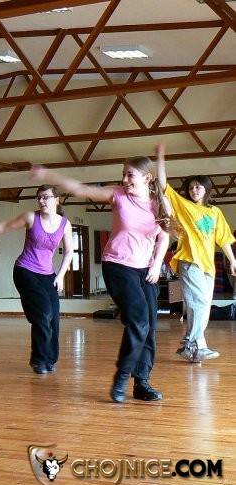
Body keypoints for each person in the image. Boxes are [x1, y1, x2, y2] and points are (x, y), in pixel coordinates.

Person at [31, 154, 170, 403]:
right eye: (123, 174)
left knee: (148, 327)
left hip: (145, 270)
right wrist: (47, 174)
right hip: (117, 266)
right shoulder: (118, 195)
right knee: (139, 321)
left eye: (130, 175)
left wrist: (158, 263)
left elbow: (164, 236)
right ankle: (122, 377)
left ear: (147, 178)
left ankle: (141, 383)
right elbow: (81, 189)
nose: (124, 179)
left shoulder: (160, 203)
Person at [156, 143, 236, 362]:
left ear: (206, 190)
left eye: (198, 187)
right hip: (189, 262)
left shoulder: (215, 212)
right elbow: (163, 185)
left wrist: (233, 261)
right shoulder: (184, 206)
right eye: (191, 187)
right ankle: (191, 342)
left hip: (207, 265)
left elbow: (224, 239)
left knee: (202, 307)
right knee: (198, 303)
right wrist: (160, 157)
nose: (194, 190)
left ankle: (195, 349)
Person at [0, 185, 73, 373]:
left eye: (46, 197)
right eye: (39, 197)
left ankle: (50, 359)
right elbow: (5, 226)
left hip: (48, 275)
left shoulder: (65, 224)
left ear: (57, 199)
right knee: (43, 314)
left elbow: (69, 251)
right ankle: (39, 360)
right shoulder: (31, 217)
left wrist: (61, 276)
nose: (41, 201)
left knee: (53, 318)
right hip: (25, 271)